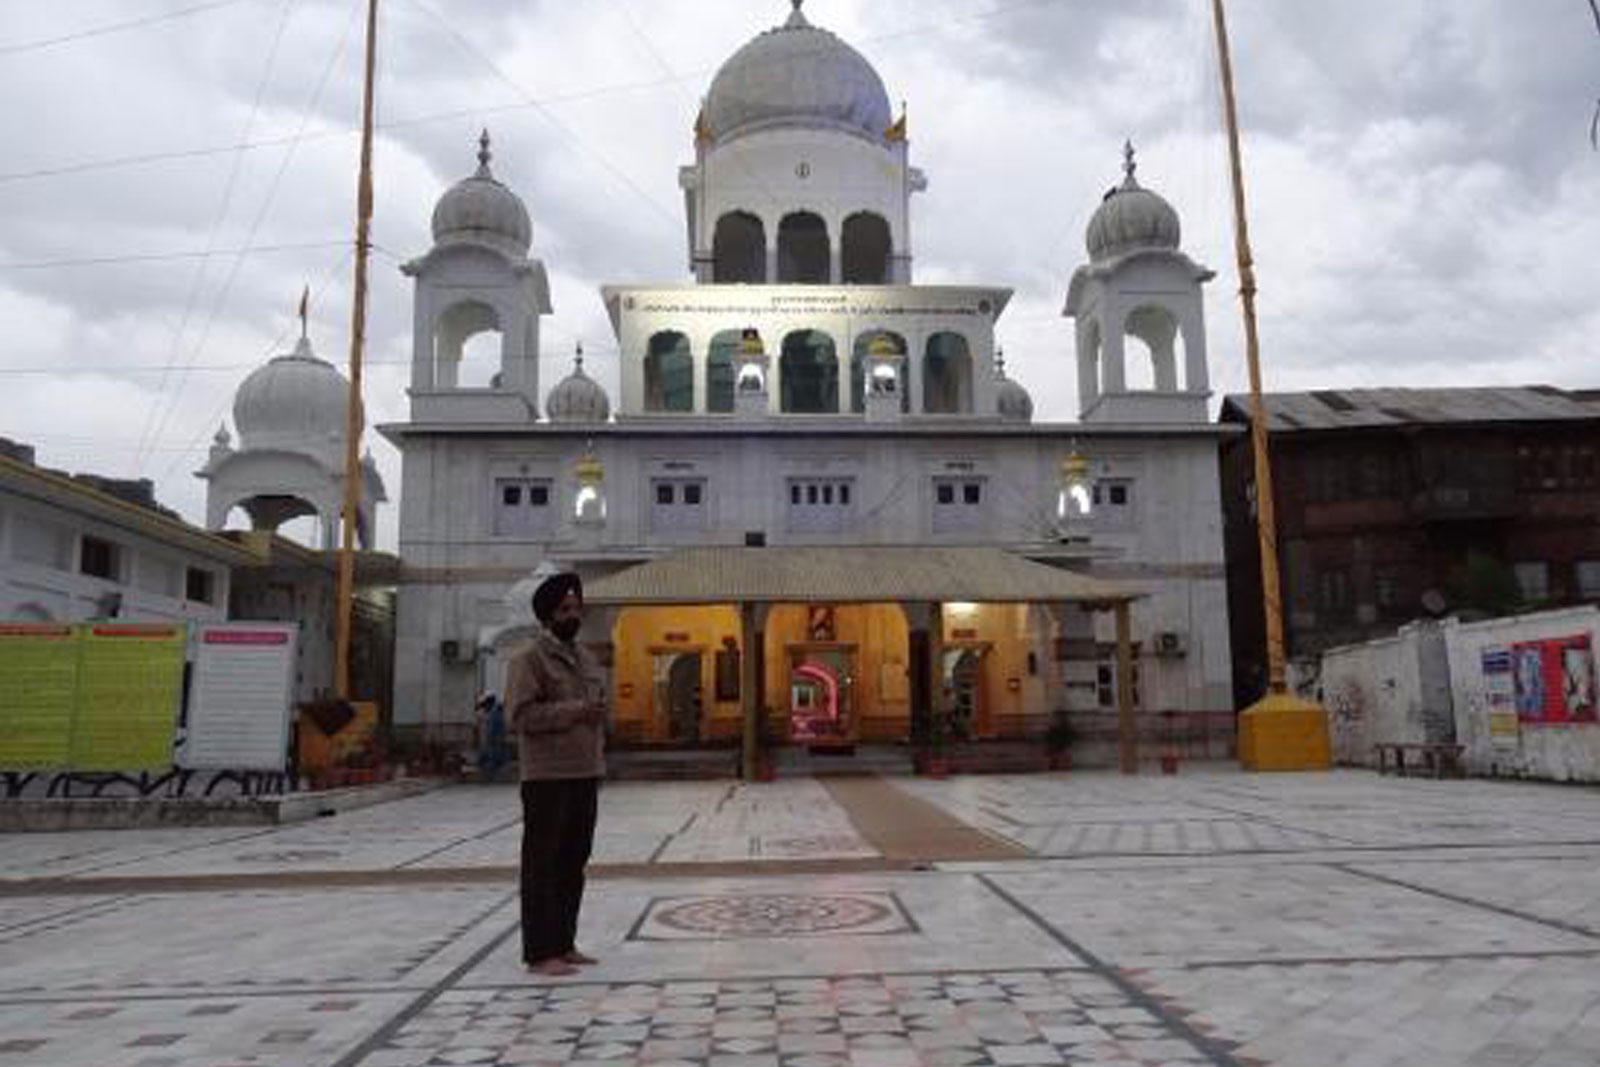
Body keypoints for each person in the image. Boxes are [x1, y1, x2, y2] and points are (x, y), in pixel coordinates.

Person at [504, 562, 607, 977]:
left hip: (584, 770)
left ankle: (564, 943)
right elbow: (522, 715)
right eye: (565, 609)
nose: (573, 616)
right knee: (542, 863)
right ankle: (540, 951)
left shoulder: (584, 658)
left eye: (576, 608)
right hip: (547, 776)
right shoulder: (528, 660)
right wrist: (578, 710)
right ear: (548, 615)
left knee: (572, 862)